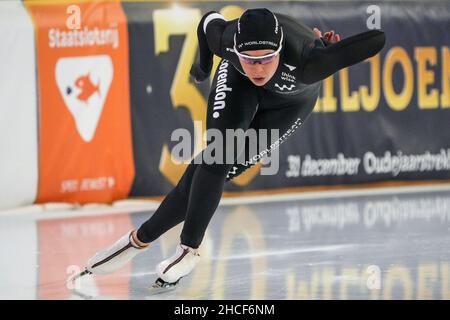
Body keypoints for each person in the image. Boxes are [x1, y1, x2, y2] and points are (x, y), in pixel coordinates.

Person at [76, 8, 385, 291]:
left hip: (290, 104)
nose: (259, 68)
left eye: (267, 58)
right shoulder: (227, 43)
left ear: (280, 51)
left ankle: (138, 240)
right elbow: (208, 20)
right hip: (238, 85)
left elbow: (377, 39)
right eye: (250, 58)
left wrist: (333, 53)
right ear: (236, 49)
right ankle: (187, 249)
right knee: (218, 155)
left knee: (209, 170)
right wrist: (204, 65)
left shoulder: (309, 62)